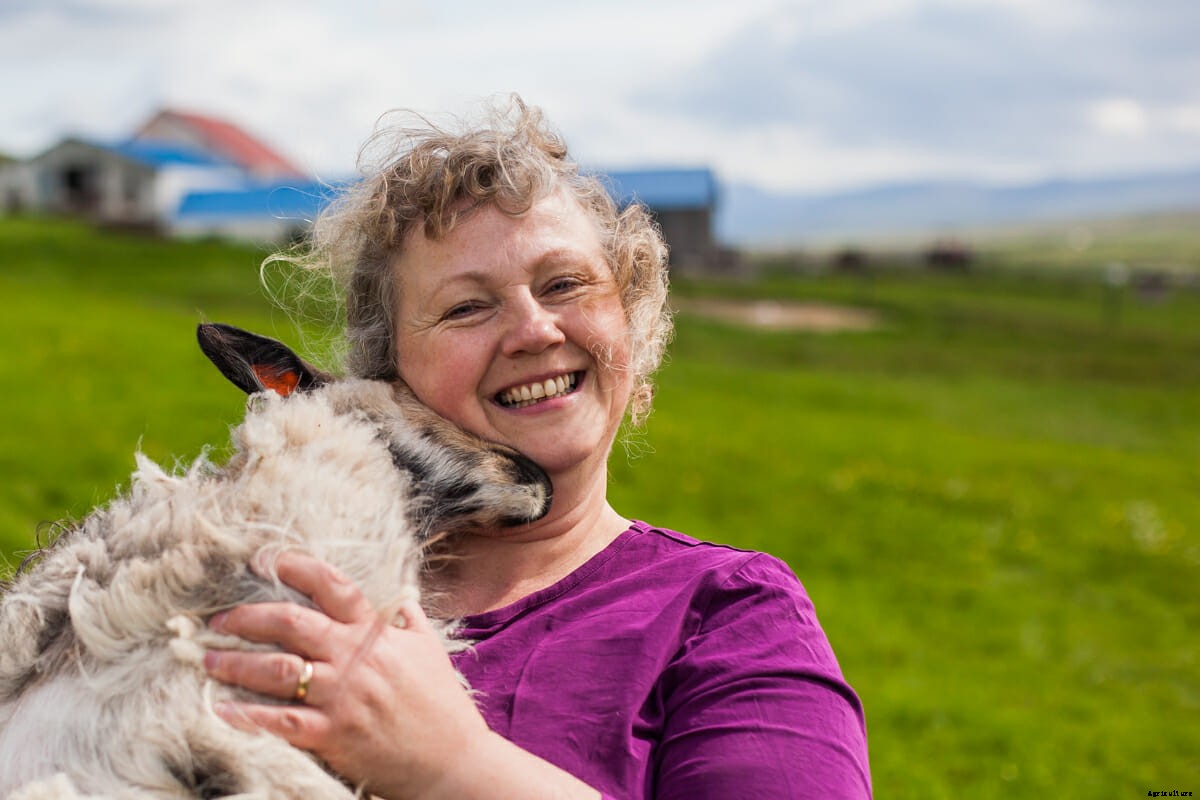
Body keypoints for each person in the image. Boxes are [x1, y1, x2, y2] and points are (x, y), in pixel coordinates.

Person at [202, 95, 872, 799]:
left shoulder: (727, 618)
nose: (533, 330)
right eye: (467, 307)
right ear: (387, 369)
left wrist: (451, 765)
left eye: (563, 285)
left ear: (632, 329)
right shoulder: (269, 585)